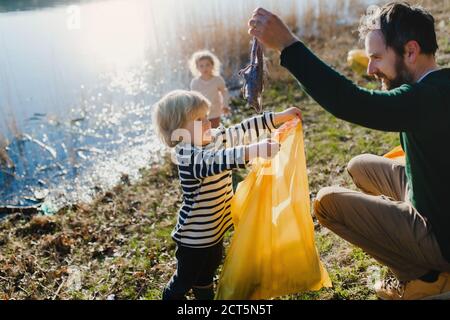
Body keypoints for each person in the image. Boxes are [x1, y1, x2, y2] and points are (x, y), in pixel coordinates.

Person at [248, 2, 450, 300]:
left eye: (377, 58)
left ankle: (426, 278)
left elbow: (352, 103)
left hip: (441, 235)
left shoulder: (425, 99)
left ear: (410, 51)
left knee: (327, 204)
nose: (370, 69)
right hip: (437, 198)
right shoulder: (439, 83)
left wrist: (289, 46)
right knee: (360, 165)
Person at [152, 89, 301, 299]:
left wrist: (278, 117)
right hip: (194, 238)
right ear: (178, 129)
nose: (207, 123)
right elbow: (217, 161)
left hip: (216, 230)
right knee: (184, 280)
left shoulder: (212, 138)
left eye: (205, 116)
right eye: (198, 120)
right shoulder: (186, 155)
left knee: (207, 274)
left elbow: (242, 129)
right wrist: (252, 151)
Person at [189, 50, 231, 128]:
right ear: (197, 68)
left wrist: (225, 105)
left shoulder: (217, 80)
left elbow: (224, 92)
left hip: (215, 112)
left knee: (214, 132)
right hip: (200, 113)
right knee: (202, 135)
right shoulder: (195, 82)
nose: (205, 68)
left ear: (212, 65)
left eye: (207, 65)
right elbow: (193, 98)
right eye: (201, 66)